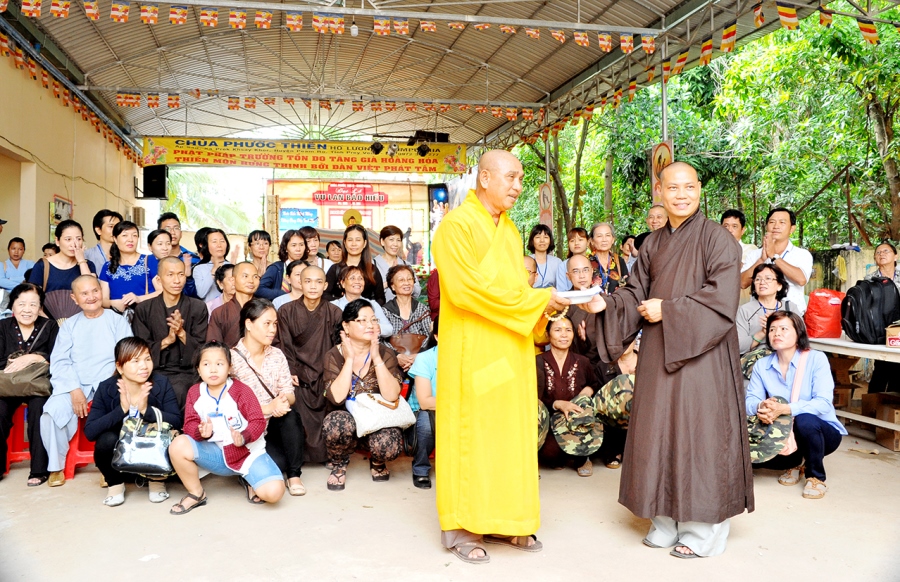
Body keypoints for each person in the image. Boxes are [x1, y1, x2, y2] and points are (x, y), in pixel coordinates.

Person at [583, 161, 752, 559]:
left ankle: (701, 528)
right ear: (659, 191)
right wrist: (604, 303)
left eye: (689, 187)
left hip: (704, 354)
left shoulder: (718, 240)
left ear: (699, 190)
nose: (681, 195)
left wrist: (671, 310)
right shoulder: (654, 243)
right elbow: (634, 292)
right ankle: (664, 520)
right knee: (658, 430)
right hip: (660, 350)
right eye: (672, 188)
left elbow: (721, 298)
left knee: (699, 435)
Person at [432, 149, 568, 564]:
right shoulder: (455, 228)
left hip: (510, 351)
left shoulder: (509, 232)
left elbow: (516, 291)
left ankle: (508, 520)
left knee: (510, 436)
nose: (518, 186)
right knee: (473, 436)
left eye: (522, 179)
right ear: (485, 178)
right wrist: (536, 301)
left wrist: (543, 305)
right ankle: (463, 526)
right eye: (510, 177)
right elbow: (466, 291)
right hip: (474, 353)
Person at [167, 342, 285, 514]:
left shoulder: (241, 390)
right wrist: (200, 432)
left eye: (219, 364)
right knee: (178, 445)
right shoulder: (195, 392)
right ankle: (196, 493)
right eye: (206, 364)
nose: (213, 370)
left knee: (274, 493)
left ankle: (248, 478)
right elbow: (190, 423)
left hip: (247, 454)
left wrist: (244, 437)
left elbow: (258, 420)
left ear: (229, 368)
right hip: (215, 455)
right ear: (198, 369)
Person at [40, 276, 132, 487]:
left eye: (95, 291)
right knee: (50, 412)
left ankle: (108, 465)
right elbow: (60, 362)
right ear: (74, 298)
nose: (91, 297)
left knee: (119, 410)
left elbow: (126, 358)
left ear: (101, 292)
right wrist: (73, 389)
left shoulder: (117, 321)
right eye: (84, 293)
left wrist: (108, 386)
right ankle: (56, 466)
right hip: (75, 384)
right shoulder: (69, 326)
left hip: (109, 384)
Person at [747, 312, 846, 499]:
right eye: (772, 329)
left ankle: (815, 476)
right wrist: (763, 407)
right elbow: (750, 401)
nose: (777, 333)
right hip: (783, 433)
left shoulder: (816, 359)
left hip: (822, 434)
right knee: (752, 459)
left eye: (784, 329)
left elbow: (823, 404)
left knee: (805, 420)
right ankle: (794, 463)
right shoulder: (762, 365)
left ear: (798, 333)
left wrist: (784, 409)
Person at [84, 337, 182, 507]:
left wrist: (147, 411)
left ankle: (156, 481)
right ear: (119, 366)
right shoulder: (106, 388)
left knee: (176, 439)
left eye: (147, 359)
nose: (144, 366)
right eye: (136, 361)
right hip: (123, 459)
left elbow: (177, 420)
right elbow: (90, 431)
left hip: (155, 454)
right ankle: (115, 485)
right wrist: (122, 410)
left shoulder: (161, 383)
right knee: (105, 440)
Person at [322, 300, 405, 491]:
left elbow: (392, 395)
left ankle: (377, 462)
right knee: (335, 424)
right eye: (362, 320)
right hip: (346, 421)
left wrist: (376, 358)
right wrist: (349, 359)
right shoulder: (334, 355)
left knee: (390, 444)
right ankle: (339, 464)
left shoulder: (386, 353)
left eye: (373, 320)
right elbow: (336, 398)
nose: (370, 325)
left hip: (377, 420)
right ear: (346, 326)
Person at [231, 299, 306, 496]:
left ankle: (294, 475)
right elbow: (231, 406)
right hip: (248, 428)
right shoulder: (231, 360)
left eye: (275, 324)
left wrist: (282, 402)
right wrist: (268, 407)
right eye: (267, 323)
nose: (273, 329)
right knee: (274, 464)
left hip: (274, 424)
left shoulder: (277, 355)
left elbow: (289, 394)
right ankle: (247, 475)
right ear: (248, 324)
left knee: (291, 417)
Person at [274, 265, 342, 463]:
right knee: (295, 410)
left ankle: (328, 455)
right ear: (299, 283)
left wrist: (331, 373)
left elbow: (339, 346)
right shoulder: (286, 311)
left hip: (326, 373)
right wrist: (291, 370)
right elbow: (283, 344)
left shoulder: (335, 312)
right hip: (298, 374)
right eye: (308, 281)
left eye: (318, 282)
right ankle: (299, 456)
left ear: (326, 285)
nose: (313, 286)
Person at [0, 283, 59, 486]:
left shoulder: (50, 326)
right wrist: (16, 362)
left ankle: (39, 469)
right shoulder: (2, 327)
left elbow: (58, 358)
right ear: (12, 306)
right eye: (22, 303)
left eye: (33, 304)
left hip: (38, 384)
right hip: (7, 385)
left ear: (40, 307)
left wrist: (35, 357)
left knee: (38, 409)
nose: (27, 309)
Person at [132, 257, 209, 407]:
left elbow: (202, 349)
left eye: (181, 274)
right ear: (159, 280)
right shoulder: (143, 309)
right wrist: (167, 340)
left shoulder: (198, 307)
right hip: (154, 371)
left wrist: (181, 333)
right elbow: (140, 350)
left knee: (183, 390)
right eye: (170, 275)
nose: (177, 280)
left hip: (188, 372)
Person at [536, 316, 598, 476]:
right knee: (550, 453)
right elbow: (534, 396)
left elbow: (595, 383)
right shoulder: (538, 362)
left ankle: (583, 457)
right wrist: (558, 404)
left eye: (568, 330)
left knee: (581, 445)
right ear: (548, 334)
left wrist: (586, 393)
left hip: (575, 419)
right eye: (557, 330)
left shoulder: (582, 361)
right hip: (549, 420)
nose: (564, 335)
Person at [741, 208, 813, 315]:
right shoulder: (755, 254)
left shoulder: (802, 254)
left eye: (782, 222)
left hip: (790, 316)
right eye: (772, 222)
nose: (776, 226)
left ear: (792, 228)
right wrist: (761, 260)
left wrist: (774, 256)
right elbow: (742, 283)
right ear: (766, 226)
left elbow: (801, 279)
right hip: (758, 316)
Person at [28, 221, 96, 318]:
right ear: (57, 241)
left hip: (82, 322)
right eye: (68, 239)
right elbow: (31, 299)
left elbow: (90, 291)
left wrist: (81, 260)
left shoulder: (88, 265)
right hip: (49, 323)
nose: (74, 244)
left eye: (79, 239)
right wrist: (49, 324)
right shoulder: (42, 266)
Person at [99, 221, 158, 313]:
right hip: (117, 319)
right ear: (115, 239)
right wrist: (113, 303)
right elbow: (103, 300)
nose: (130, 239)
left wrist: (139, 299)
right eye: (125, 235)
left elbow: (162, 291)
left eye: (134, 235)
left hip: (145, 318)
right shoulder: (107, 266)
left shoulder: (150, 260)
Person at [408, 315, 438, 489]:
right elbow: (425, 402)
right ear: (436, 336)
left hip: (452, 408)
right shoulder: (425, 358)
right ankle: (420, 468)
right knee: (426, 422)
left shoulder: (469, 357)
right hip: (424, 414)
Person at [383, 265, 432, 371]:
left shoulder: (422, 309)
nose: (406, 283)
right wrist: (397, 356)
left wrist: (417, 357)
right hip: (393, 361)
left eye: (409, 279)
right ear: (393, 286)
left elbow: (429, 335)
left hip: (420, 359)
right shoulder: (385, 311)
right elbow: (381, 339)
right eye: (401, 280)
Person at [866, 242, 900, 392]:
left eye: (886, 251)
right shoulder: (869, 279)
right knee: (881, 364)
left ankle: (892, 407)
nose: (882, 254)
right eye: (878, 252)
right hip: (879, 328)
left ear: (895, 256)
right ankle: (873, 406)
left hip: (898, 328)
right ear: (875, 258)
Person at [737, 264, 792, 355]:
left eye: (768, 278)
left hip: (786, 358)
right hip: (756, 360)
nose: (762, 282)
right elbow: (739, 347)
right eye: (758, 279)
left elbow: (801, 339)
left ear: (779, 285)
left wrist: (777, 327)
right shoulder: (745, 310)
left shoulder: (789, 308)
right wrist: (762, 332)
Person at [324, 226, 386, 304]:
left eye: (358, 240)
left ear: (364, 243)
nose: (354, 244)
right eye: (350, 240)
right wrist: (343, 302)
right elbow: (325, 295)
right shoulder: (335, 269)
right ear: (345, 243)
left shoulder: (372, 270)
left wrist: (367, 308)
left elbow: (380, 298)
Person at [207, 262, 260, 348]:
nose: (251, 281)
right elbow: (214, 348)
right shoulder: (219, 313)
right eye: (245, 276)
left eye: (255, 277)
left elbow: (274, 341)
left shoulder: (265, 310)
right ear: (233, 280)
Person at [330, 266, 393, 337]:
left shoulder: (372, 304)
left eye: (360, 278)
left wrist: (372, 326)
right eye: (352, 278)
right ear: (342, 283)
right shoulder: (333, 306)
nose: (357, 282)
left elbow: (389, 329)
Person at [257, 230, 308, 301]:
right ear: (286, 248)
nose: (298, 249)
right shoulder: (276, 268)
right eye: (294, 245)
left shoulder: (308, 268)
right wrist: (283, 295)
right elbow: (259, 289)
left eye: (301, 245)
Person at [375, 226, 422, 302]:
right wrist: (390, 282)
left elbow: (417, 291)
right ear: (382, 241)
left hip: (404, 311)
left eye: (398, 240)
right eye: (391, 240)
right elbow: (369, 293)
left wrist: (407, 285)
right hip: (380, 311)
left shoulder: (406, 265)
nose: (395, 244)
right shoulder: (373, 265)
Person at [589, 223, 629, 294]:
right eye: (599, 236)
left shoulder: (619, 261)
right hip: (593, 303)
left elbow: (627, 287)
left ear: (613, 239)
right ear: (592, 241)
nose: (604, 240)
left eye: (607, 235)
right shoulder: (586, 262)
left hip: (616, 304)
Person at [193, 229, 230, 303]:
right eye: (214, 241)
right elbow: (201, 293)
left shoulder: (232, 266)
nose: (219, 245)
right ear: (206, 246)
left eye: (222, 241)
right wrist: (214, 269)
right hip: (209, 312)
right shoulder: (199, 268)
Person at [84, 210, 123, 274]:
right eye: (111, 226)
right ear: (98, 230)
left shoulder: (125, 255)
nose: (115, 230)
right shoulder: (87, 255)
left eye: (117, 227)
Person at [555, 227, 590, 292]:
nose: (576, 243)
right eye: (572, 241)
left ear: (588, 242)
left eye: (580, 240)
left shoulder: (593, 262)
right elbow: (561, 291)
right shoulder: (563, 266)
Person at [528, 224, 563, 289]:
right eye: (538, 237)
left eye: (546, 237)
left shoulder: (557, 262)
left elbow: (561, 286)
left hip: (552, 297)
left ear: (550, 241)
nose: (542, 240)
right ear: (532, 241)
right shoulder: (526, 261)